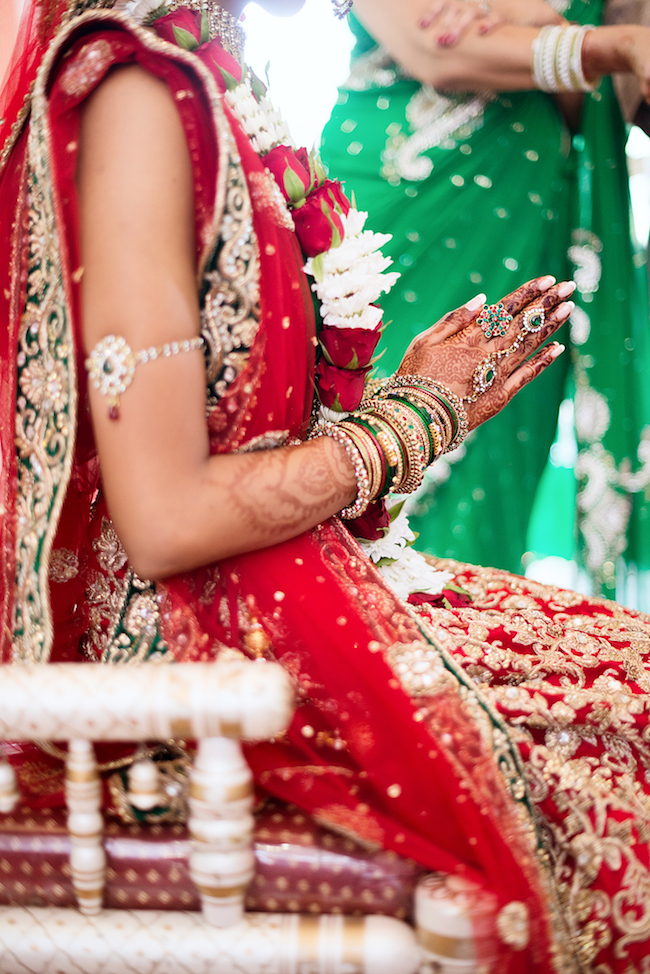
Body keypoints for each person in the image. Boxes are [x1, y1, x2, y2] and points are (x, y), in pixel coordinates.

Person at [2, 0, 650, 970]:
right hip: (197, 656)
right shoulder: (134, 96)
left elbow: (229, 429)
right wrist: (410, 421)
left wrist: (411, 405)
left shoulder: (196, 70)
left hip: (276, 597)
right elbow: (166, 518)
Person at [320, 0, 650, 605]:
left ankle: (448, 692)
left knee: (484, 492)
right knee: (356, 467)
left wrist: (531, 26)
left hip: (525, 233)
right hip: (396, 218)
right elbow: (440, 52)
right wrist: (594, 39)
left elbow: (596, 100)